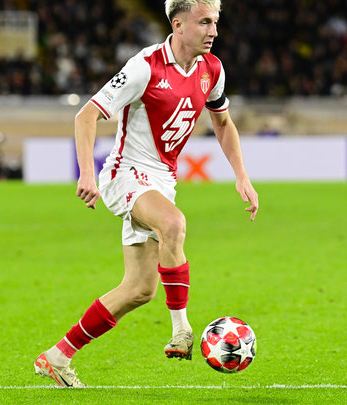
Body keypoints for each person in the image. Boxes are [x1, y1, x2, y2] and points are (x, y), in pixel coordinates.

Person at [34, 0, 259, 387]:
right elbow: (86, 115)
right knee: (173, 224)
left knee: (139, 289)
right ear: (178, 25)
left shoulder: (212, 70)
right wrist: (86, 174)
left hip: (162, 181)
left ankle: (57, 356)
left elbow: (223, 123)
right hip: (125, 174)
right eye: (205, 22)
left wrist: (242, 175)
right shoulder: (145, 67)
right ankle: (181, 330)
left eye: (215, 22)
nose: (213, 31)